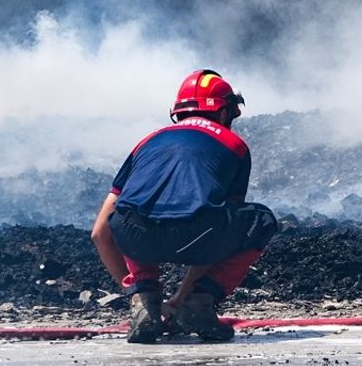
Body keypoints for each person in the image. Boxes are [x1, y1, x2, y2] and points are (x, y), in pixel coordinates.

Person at [90, 69, 277, 344]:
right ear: (224, 112)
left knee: (136, 212)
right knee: (259, 220)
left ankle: (145, 301)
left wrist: (134, 291)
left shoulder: (146, 142)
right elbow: (222, 226)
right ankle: (199, 304)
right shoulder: (234, 145)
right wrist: (182, 300)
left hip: (134, 236)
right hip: (198, 236)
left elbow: (99, 232)